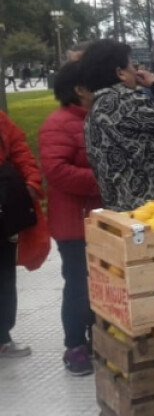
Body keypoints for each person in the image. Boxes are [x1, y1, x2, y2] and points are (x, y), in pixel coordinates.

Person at [37, 61, 102, 375]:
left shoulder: (97, 119)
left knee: (102, 283)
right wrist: (104, 180)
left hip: (100, 219)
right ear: (80, 90)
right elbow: (57, 171)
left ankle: (98, 339)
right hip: (74, 223)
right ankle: (74, 345)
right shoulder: (58, 124)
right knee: (78, 284)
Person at [80, 39, 154, 211]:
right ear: (120, 73)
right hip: (152, 209)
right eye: (132, 66)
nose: (136, 71)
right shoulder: (124, 102)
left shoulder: (94, 112)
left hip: (121, 210)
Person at [0, 110, 43, 359]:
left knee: (4, 272)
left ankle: (2, 337)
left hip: (4, 206)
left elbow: (18, 148)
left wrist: (32, 181)